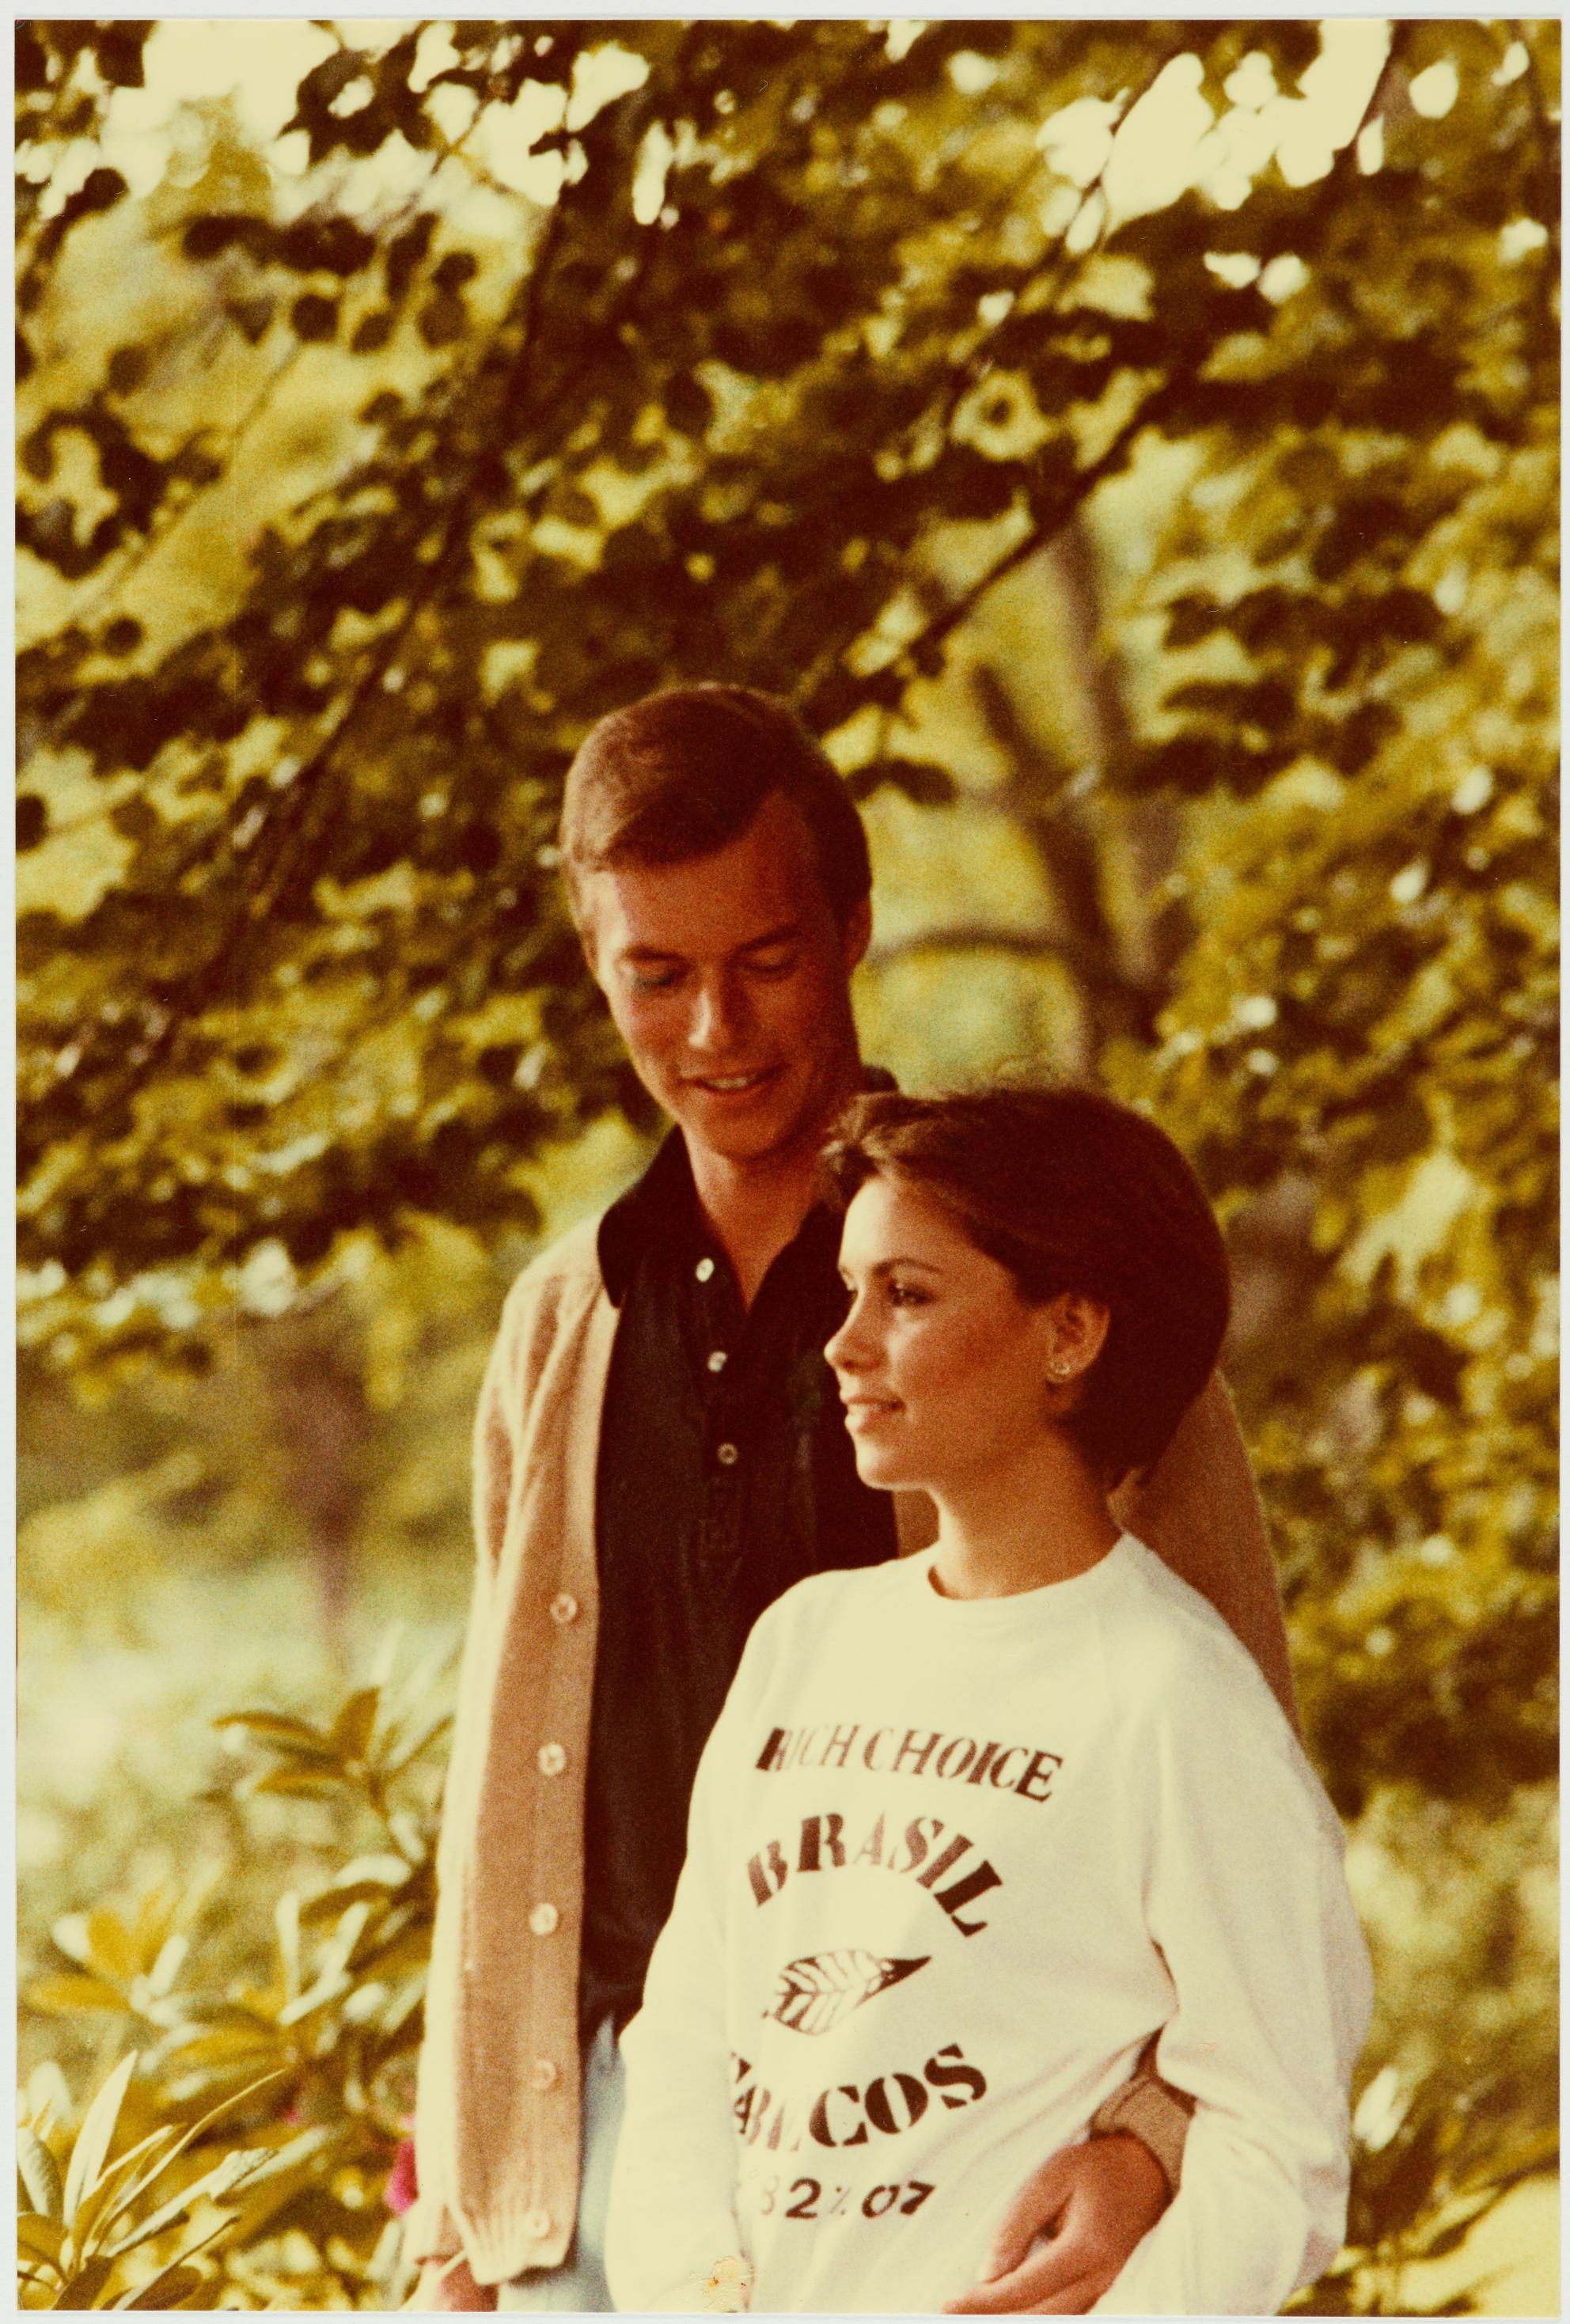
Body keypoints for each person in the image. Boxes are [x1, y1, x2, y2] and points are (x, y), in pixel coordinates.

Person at [405, 687, 1300, 2311]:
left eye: (761, 959)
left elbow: (1231, 1753)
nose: (714, 1033)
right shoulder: (563, 1319)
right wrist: (456, 2185)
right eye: (653, 976)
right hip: (596, 2141)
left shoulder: (1043, 1294)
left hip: (950, 2130)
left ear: (853, 926)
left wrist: (1150, 2129)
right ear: (596, 969)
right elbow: (506, 1781)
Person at [605, 1086, 1372, 2316]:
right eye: (848, 1290)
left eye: (905, 1295)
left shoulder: (1178, 1702)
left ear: (1068, 1332)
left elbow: (1275, 2141)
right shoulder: (805, 1643)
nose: (844, 1342)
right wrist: (692, 2292)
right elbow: (689, 2037)